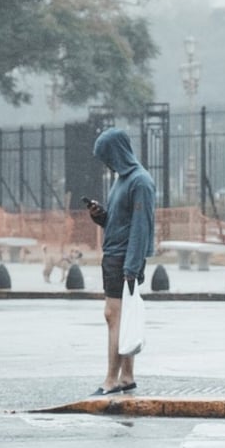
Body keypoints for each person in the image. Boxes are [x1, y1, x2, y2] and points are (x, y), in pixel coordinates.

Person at [84, 128, 156, 396]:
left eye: (107, 156)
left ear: (118, 152)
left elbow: (140, 228)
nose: (106, 163)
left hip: (124, 259)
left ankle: (111, 380)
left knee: (113, 316)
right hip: (115, 255)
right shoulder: (121, 181)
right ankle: (126, 377)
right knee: (120, 319)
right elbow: (119, 221)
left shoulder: (140, 182)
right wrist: (100, 216)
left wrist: (131, 267)